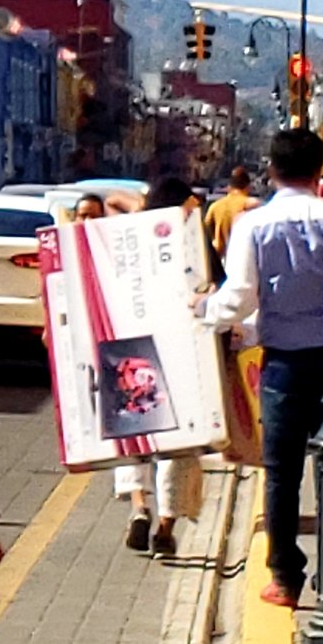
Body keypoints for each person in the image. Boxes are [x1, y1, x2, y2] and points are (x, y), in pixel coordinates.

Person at [205, 126, 323, 608]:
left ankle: (285, 577)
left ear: (271, 171)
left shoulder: (253, 225)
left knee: (281, 472)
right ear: (319, 169)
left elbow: (239, 296)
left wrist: (206, 318)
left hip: (285, 366)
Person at [111, 176, 207, 556]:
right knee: (180, 444)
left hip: (133, 348)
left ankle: (139, 507)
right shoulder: (192, 244)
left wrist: (137, 208)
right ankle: (166, 525)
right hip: (184, 349)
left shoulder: (128, 239)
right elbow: (212, 288)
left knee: (134, 433)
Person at [207, 165, 259, 266]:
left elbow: (206, 231)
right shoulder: (251, 205)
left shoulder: (215, 206)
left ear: (230, 187)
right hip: (244, 260)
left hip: (220, 262)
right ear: (248, 186)